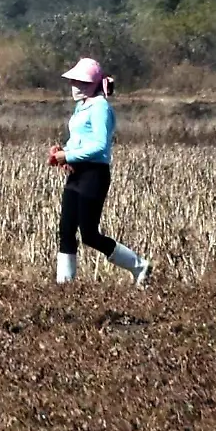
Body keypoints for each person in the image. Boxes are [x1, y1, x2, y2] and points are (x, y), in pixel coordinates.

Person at [49, 57, 152, 285]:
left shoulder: (100, 107)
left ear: (95, 84)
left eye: (83, 83)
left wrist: (68, 155)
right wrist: (64, 151)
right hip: (77, 173)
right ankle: (64, 285)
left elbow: (99, 145)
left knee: (89, 234)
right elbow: (80, 140)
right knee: (65, 230)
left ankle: (139, 265)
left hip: (94, 176)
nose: (76, 87)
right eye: (75, 82)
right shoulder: (82, 105)